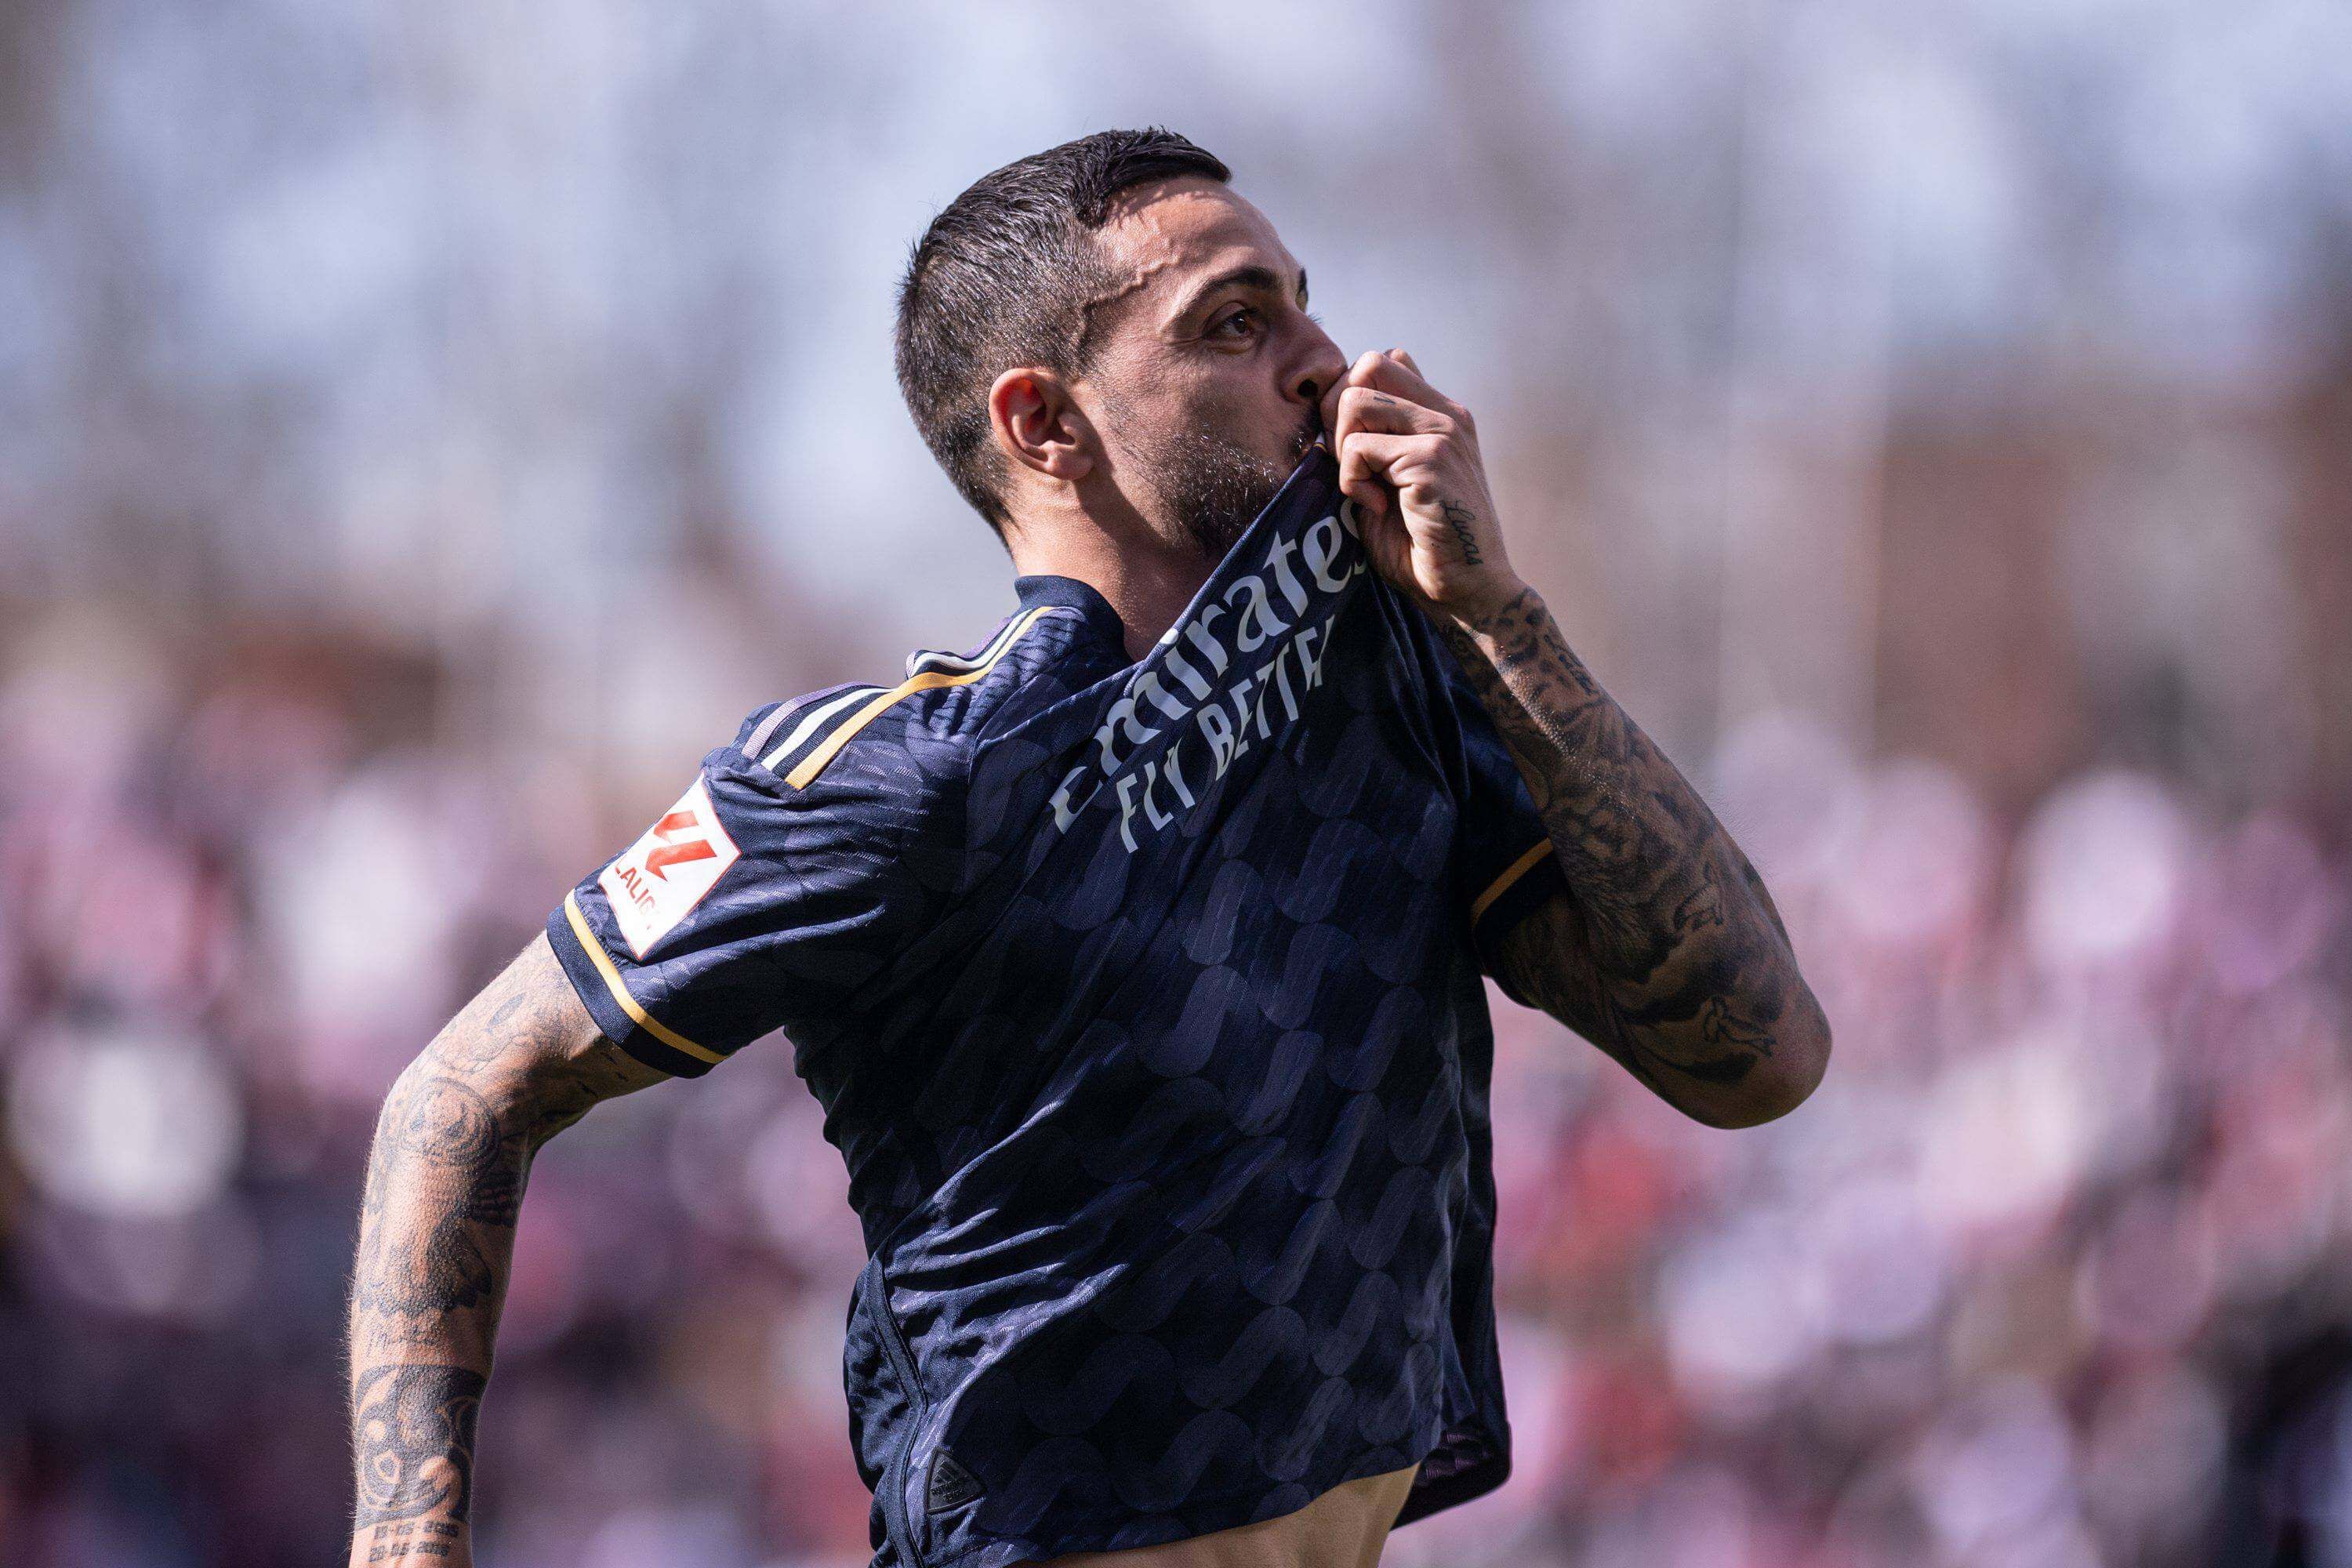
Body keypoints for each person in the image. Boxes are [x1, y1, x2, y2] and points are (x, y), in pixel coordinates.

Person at [342, 127, 1831, 1568]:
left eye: (1307, 306)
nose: (1323, 364)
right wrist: (408, 1544)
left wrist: (1503, 618)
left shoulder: (1418, 687)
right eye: (1236, 325)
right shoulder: (909, 775)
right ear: (1043, 425)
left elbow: (1759, 1059)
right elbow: (459, 1092)